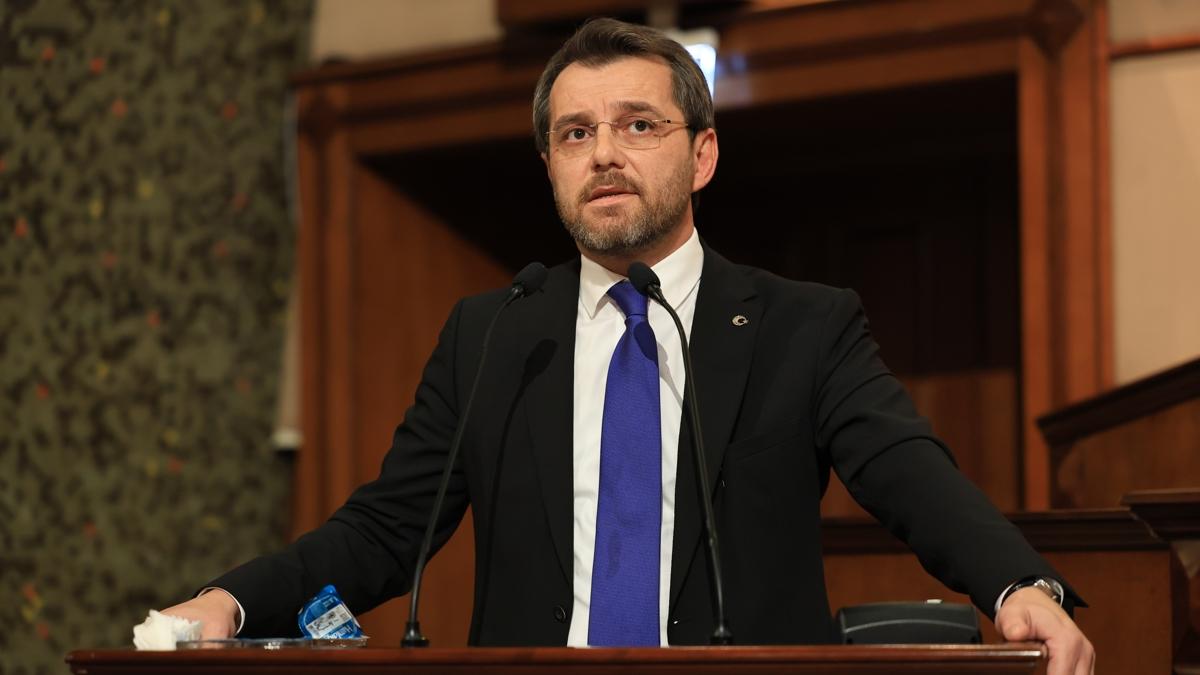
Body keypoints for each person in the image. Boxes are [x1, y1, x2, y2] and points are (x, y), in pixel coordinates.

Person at [162, 17, 1095, 674]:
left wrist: (1018, 584)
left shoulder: (801, 325)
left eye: (638, 125)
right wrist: (229, 603)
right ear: (551, 167)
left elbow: (910, 475)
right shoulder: (494, 333)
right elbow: (382, 529)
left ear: (702, 154)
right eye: (576, 133)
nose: (604, 152)